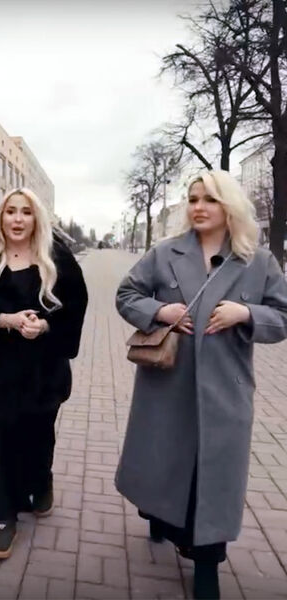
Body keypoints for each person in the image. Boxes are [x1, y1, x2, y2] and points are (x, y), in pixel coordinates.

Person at [115, 170, 287, 599]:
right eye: (193, 199)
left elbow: (282, 316)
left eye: (209, 199)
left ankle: (207, 563)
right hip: (167, 384)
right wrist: (161, 312)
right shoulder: (164, 252)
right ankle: (158, 517)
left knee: (214, 478)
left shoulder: (257, 261)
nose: (198, 207)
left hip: (225, 390)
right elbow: (126, 295)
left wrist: (246, 314)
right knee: (164, 461)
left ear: (229, 205)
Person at [0, 187, 88, 560]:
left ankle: (41, 482)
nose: (17, 218)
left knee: (37, 440)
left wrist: (44, 326)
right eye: (10, 211)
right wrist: (5, 320)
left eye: (26, 212)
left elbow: (75, 306)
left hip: (41, 372)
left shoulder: (57, 258)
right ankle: (3, 515)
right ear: (0, 216)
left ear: (36, 218)